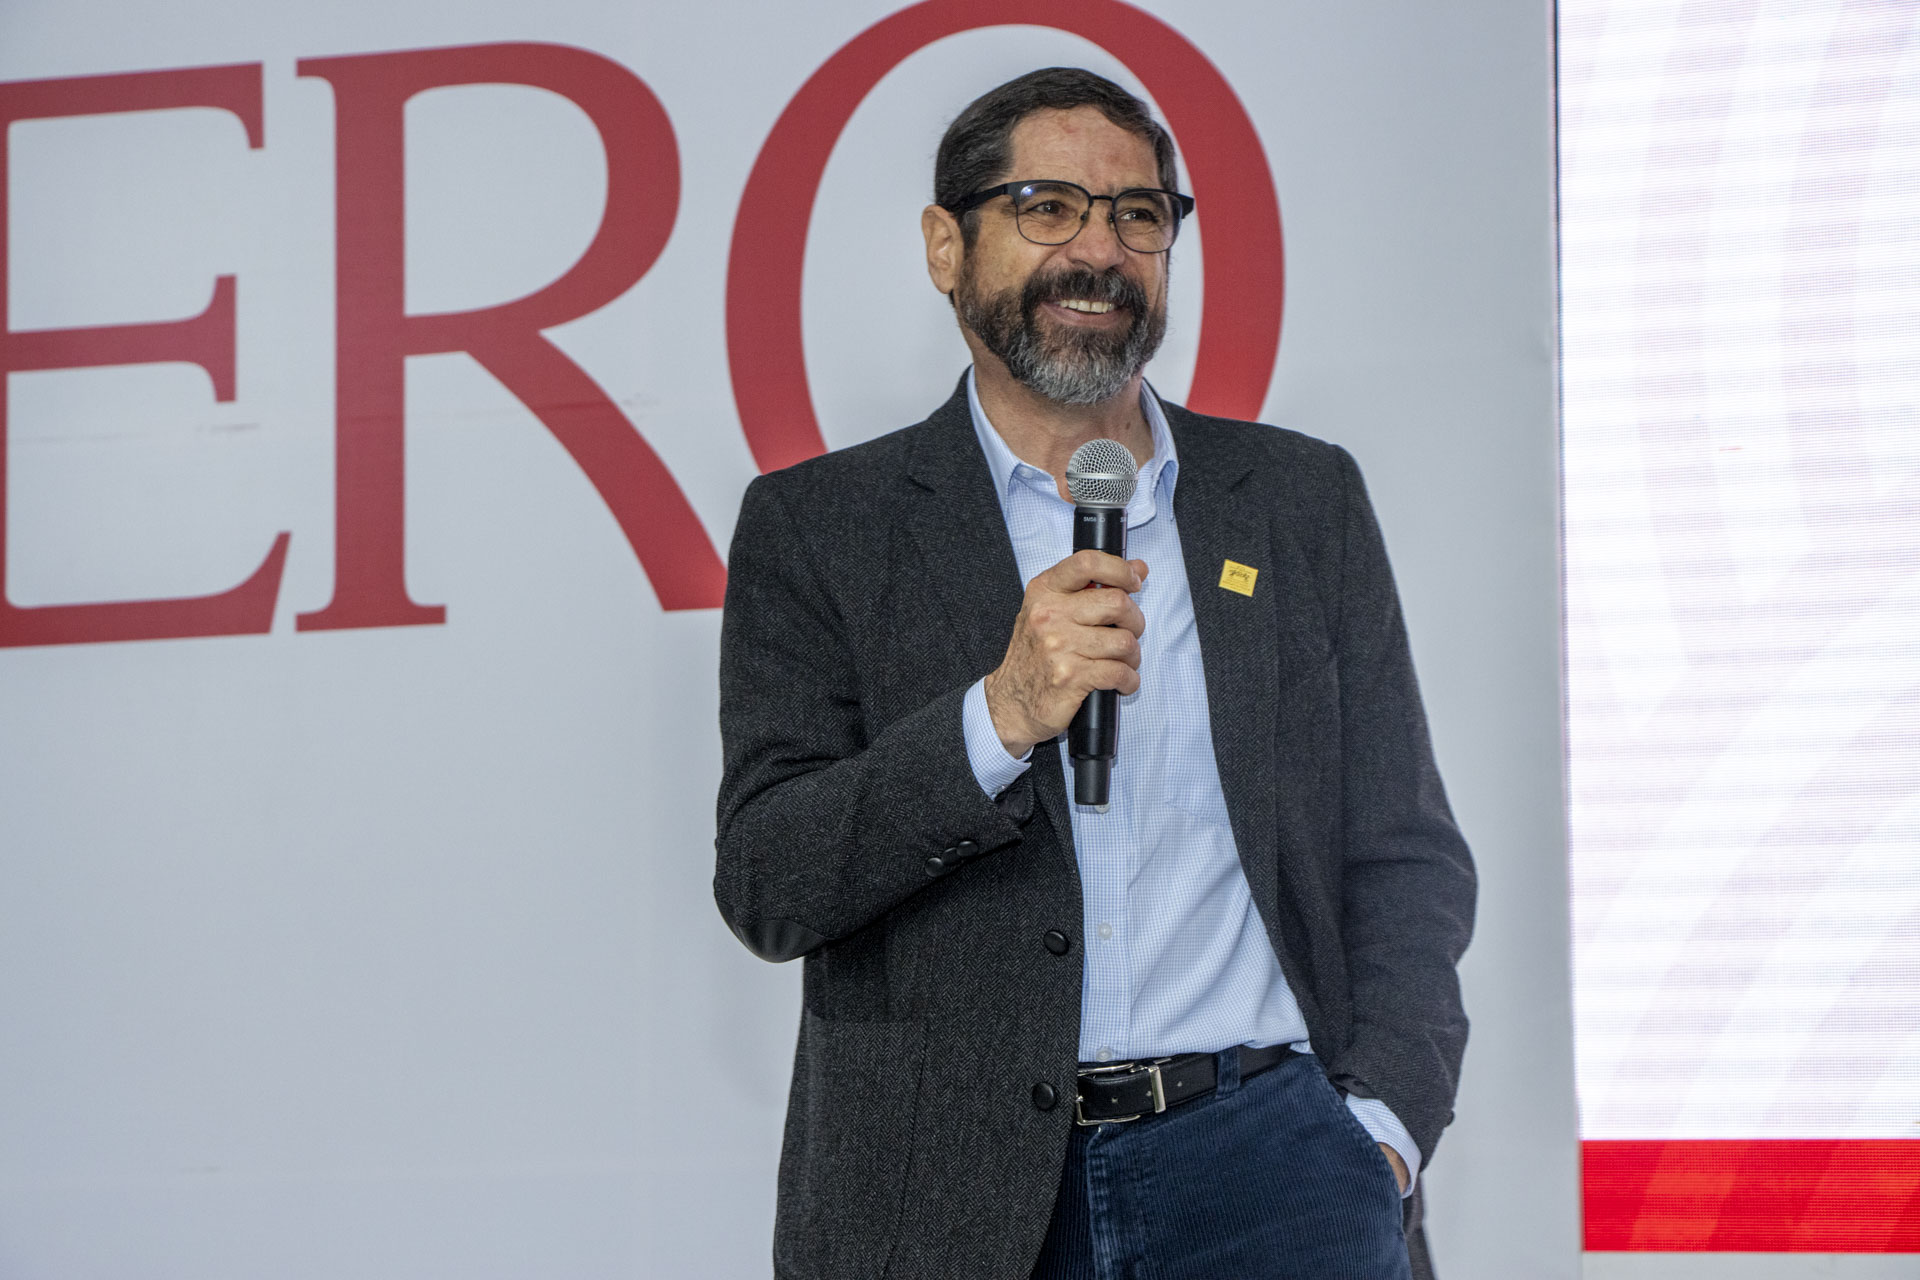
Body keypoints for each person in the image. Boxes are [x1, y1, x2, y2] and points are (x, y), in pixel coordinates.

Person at [714, 67, 1475, 1280]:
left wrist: (1379, 1131)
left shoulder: (1295, 499)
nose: (1101, 250)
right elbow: (769, 878)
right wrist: (998, 716)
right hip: (943, 1201)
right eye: (1048, 207)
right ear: (945, 246)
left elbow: (1403, 850)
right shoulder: (823, 527)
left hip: (1272, 1176)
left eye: (1138, 213)